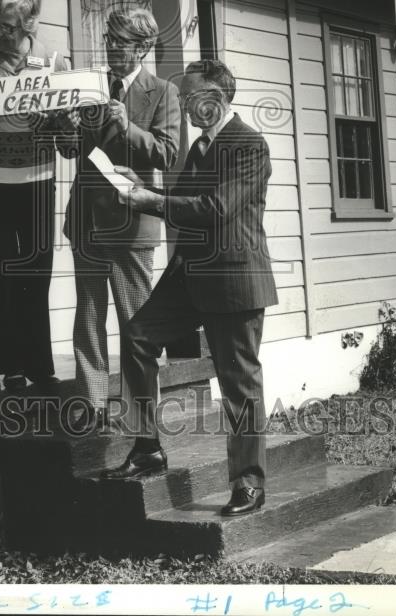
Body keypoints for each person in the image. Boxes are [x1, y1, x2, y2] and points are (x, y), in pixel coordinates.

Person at [105, 59, 278, 519]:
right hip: (190, 276)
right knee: (138, 336)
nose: (181, 106)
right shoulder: (197, 147)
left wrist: (154, 201)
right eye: (179, 99)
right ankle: (147, 449)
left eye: (189, 97)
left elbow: (214, 208)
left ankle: (248, 482)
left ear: (218, 98)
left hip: (234, 278)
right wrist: (144, 188)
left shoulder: (248, 145)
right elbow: (185, 206)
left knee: (238, 383)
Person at [58, 6, 181, 430]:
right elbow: (72, 149)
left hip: (131, 226)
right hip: (87, 222)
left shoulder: (162, 91)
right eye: (108, 39)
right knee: (89, 316)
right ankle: (92, 406)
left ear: (144, 47)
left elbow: (167, 152)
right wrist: (66, 125)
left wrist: (128, 127)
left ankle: (140, 413)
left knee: (137, 323)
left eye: (121, 41)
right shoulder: (91, 85)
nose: (111, 47)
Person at [0, 0, 68, 391]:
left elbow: (71, 128)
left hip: (37, 181)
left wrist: (52, 119)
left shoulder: (52, 61)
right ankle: (11, 366)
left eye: (9, 28)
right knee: (3, 272)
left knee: (36, 272)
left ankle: (40, 366)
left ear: (28, 26)